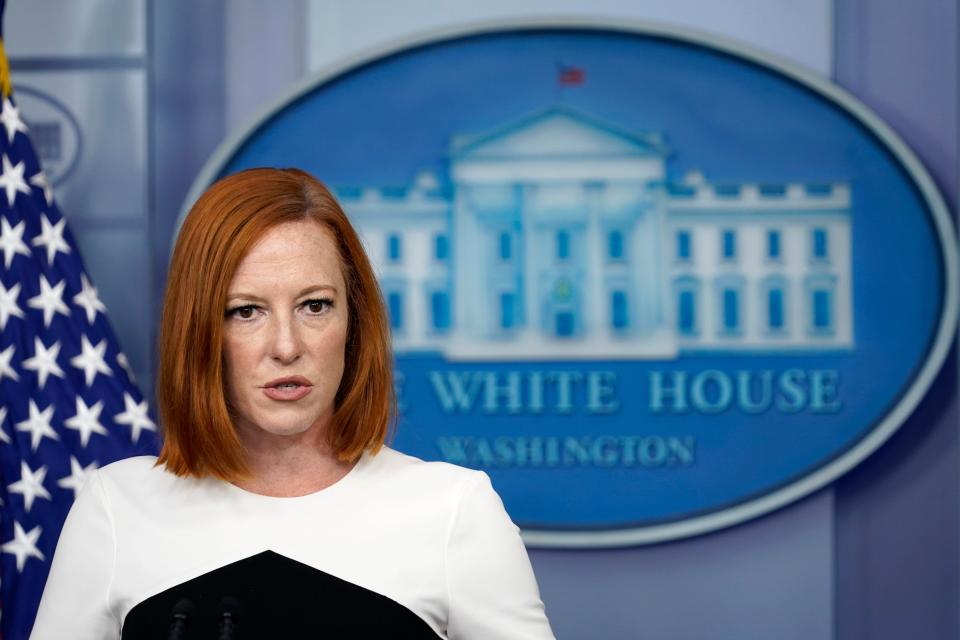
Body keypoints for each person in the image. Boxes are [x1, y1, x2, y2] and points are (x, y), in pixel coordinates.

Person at [31, 168, 554, 638]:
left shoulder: (453, 510)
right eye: (246, 311)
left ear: (354, 324)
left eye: (314, 305)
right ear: (198, 331)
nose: (286, 346)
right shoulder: (116, 508)